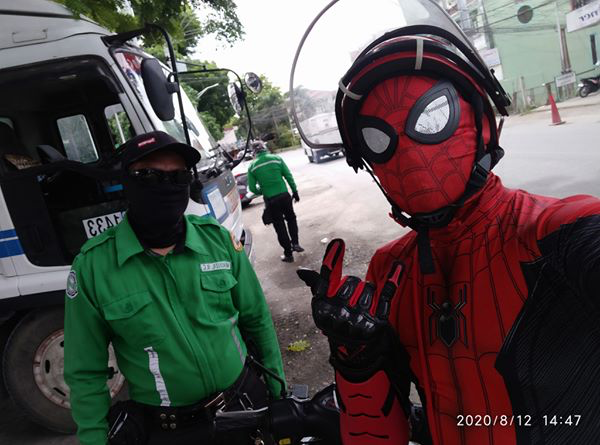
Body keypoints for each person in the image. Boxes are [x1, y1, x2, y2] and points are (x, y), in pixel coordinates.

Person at [295, 1, 600, 444]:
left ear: (482, 123)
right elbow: (377, 435)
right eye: (379, 140)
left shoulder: (560, 233)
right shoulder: (388, 271)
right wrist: (359, 365)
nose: (412, 154)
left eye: (432, 118)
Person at [64, 131, 285, 445]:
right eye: (149, 175)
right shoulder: (93, 267)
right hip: (171, 431)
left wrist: (280, 393)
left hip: (245, 404)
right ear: (126, 182)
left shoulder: (218, 240)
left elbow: (257, 319)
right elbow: (85, 372)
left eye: (178, 175)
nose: (166, 185)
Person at [247, 141, 303, 262]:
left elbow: (252, 188)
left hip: (271, 200)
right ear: (265, 148)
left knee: (279, 225)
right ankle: (296, 243)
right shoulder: (277, 159)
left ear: (254, 152)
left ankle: (288, 254)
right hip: (285, 196)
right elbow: (288, 176)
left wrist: (263, 190)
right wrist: (295, 191)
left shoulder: (252, 166)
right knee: (291, 219)